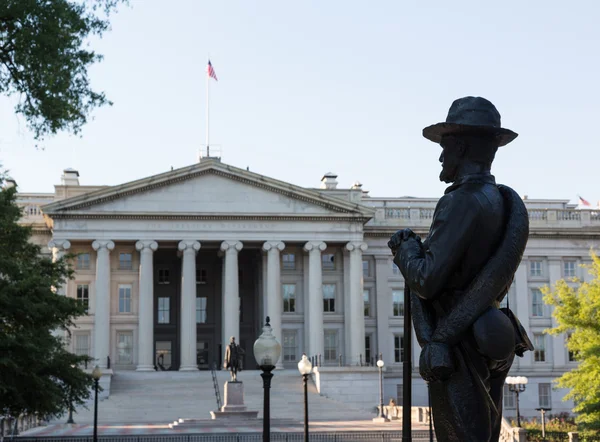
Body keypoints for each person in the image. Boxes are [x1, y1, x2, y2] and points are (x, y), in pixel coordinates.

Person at [388, 97, 532, 442]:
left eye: (445, 147)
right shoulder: (501, 199)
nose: (440, 157)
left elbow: (425, 280)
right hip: (495, 333)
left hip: (460, 340)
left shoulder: (460, 200)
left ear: (462, 147)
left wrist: (406, 248)